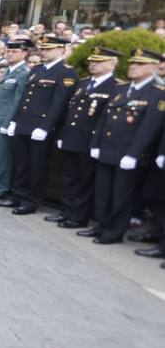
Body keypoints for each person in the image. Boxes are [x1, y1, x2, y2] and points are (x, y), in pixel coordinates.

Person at [81, 49, 165, 244]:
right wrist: (96, 144)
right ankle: (101, 225)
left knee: (121, 195)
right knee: (103, 192)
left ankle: (114, 231)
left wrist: (134, 154)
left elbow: (149, 128)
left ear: (153, 67)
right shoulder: (121, 89)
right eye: (132, 63)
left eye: (140, 64)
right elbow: (104, 120)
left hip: (128, 155)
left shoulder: (157, 94)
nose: (133, 67)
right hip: (108, 149)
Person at [48, 47, 120, 230]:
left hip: (90, 141)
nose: (93, 64)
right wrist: (63, 134)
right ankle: (67, 210)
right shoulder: (84, 83)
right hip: (72, 138)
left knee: (85, 181)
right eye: (92, 61)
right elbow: (71, 111)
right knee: (69, 178)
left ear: (111, 64)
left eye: (99, 61)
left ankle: (79, 216)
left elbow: (107, 120)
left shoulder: (115, 87)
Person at [8, 37, 76, 214]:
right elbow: (25, 98)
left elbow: (59, 103)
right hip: (24, 122)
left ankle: (31, 200)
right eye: (43, 48)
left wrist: (45, 127)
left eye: (48, 49)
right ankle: (17, 195)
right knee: (21, 163)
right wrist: (14, 120)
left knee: (36, 166)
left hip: (40, 126)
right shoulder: (37, 70)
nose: (44, 52)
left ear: (61, 50)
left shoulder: (66, 73)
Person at [0, 39, 32, 202]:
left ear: (24, 53)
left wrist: (8, 123)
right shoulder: (9, 70)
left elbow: (17, 102)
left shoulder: (23, 72)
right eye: (8, 51)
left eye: (14, 51)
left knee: (2, 159)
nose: (10, 54)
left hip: (3, 122)